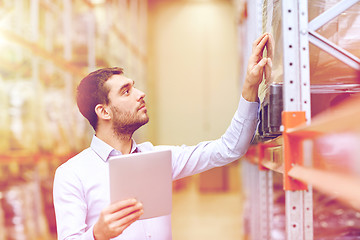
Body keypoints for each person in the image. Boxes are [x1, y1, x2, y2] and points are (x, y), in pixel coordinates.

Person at [53, 33, 272, 240]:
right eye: (126, 91)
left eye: (134, 87)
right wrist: (96, 234)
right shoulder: (72, 174)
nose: (141, 94)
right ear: (104, 111)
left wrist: (250, 86)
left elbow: (229, 149)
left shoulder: (158, 159)